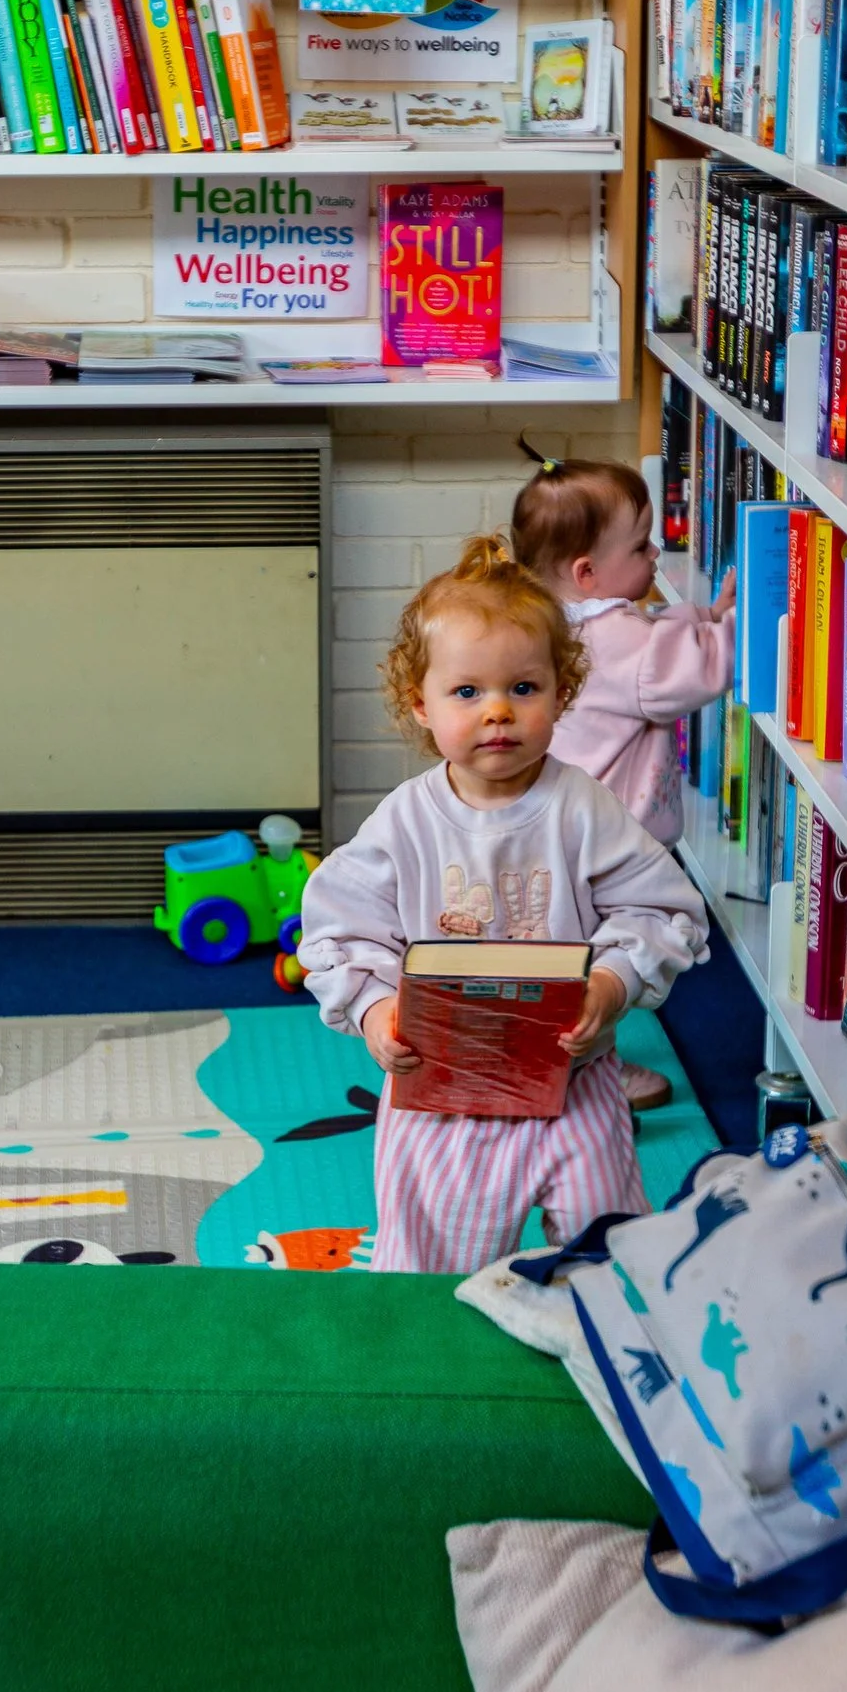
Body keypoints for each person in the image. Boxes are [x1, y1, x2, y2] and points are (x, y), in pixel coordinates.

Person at [293, 540, 709, 1274]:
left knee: (606, 1258)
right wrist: (374, 1011)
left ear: (561, 692)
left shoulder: (581, 808)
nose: (497, 712)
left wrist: (611, 987)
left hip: (574, 1088)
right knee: (429, 1279)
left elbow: (661, 909)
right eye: (466, 693)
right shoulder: (404, 821)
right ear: (419, 703)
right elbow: (338, 930)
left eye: (523, 688)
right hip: (441, 1100)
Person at [500, 438, 736, 1109]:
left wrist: (699, 617)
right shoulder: (617, 643)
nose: (655, 555)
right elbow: (692, 669)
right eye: (640, 548)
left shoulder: (566, 624)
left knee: (570, 955)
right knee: (597, 958)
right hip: (606, 848)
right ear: (586, 572)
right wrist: (742, 626)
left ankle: (560, 1053)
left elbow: (656, 631)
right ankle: (584, 1069)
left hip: (561, 833)